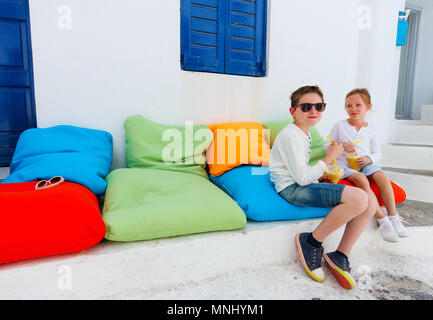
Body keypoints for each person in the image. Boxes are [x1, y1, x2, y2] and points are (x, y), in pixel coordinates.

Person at [269, 85, 376, 290]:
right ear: (293, 111)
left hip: (303, 183)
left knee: (370, 201)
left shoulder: (305, 132)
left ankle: (340, 254)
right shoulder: (291, 135)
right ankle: (311, 242)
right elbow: (300, 179)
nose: (314, 111)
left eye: (319, 106)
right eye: (306, 106)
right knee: (360, 198)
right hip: (292, 188)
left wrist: (322, 172)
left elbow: (302, 169)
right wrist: (329, 159)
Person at [324, 88, 409, 242]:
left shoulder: (372, 129)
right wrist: (341, 144)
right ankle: (383, 221)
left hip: (364, 163)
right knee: (362, 180)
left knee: (381, 176)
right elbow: (327, 145)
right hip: (344, 166)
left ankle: (393, 216)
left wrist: (369, 159)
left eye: (358, 105)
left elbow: (377, 153)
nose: (353, 109)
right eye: (349, 106)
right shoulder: (340, 125)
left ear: (368, 107)